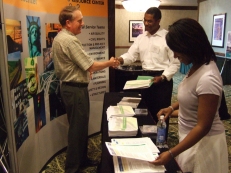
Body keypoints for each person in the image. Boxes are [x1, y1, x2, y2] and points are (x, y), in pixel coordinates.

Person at [152, 18, 228, 173]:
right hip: (189, 139)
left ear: (189, 45)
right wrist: (171, 108)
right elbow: (191, 96)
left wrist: (172, 153)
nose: (174, 55)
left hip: (204, 145)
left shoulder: (208, 78)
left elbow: (202, 127)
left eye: (176, 50)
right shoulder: (197, 66)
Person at [52, 6, 119, 173]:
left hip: (73, 88)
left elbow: (80, 65)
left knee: (80, 128)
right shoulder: (69, 40)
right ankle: (73, 168)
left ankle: (82, 160)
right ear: (68, 23)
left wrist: (85, 70)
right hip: (75, 91)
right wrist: (110, 63)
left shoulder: (62, 37)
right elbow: (91, 65)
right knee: (77, 130)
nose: (83, 23)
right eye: (79, 20)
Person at [117, 7, 180, 136]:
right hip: (145, 77)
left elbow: (175, 62)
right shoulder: (141, 38)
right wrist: (119, 60)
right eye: (145, 20)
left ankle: (161, 141)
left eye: (150, 21)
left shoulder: (168, 37)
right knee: (145, 109)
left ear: (158, 21)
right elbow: (131, 56)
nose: (146, 24)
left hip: (162, 79)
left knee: (161, 112)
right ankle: (147, 138)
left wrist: (162, 77)